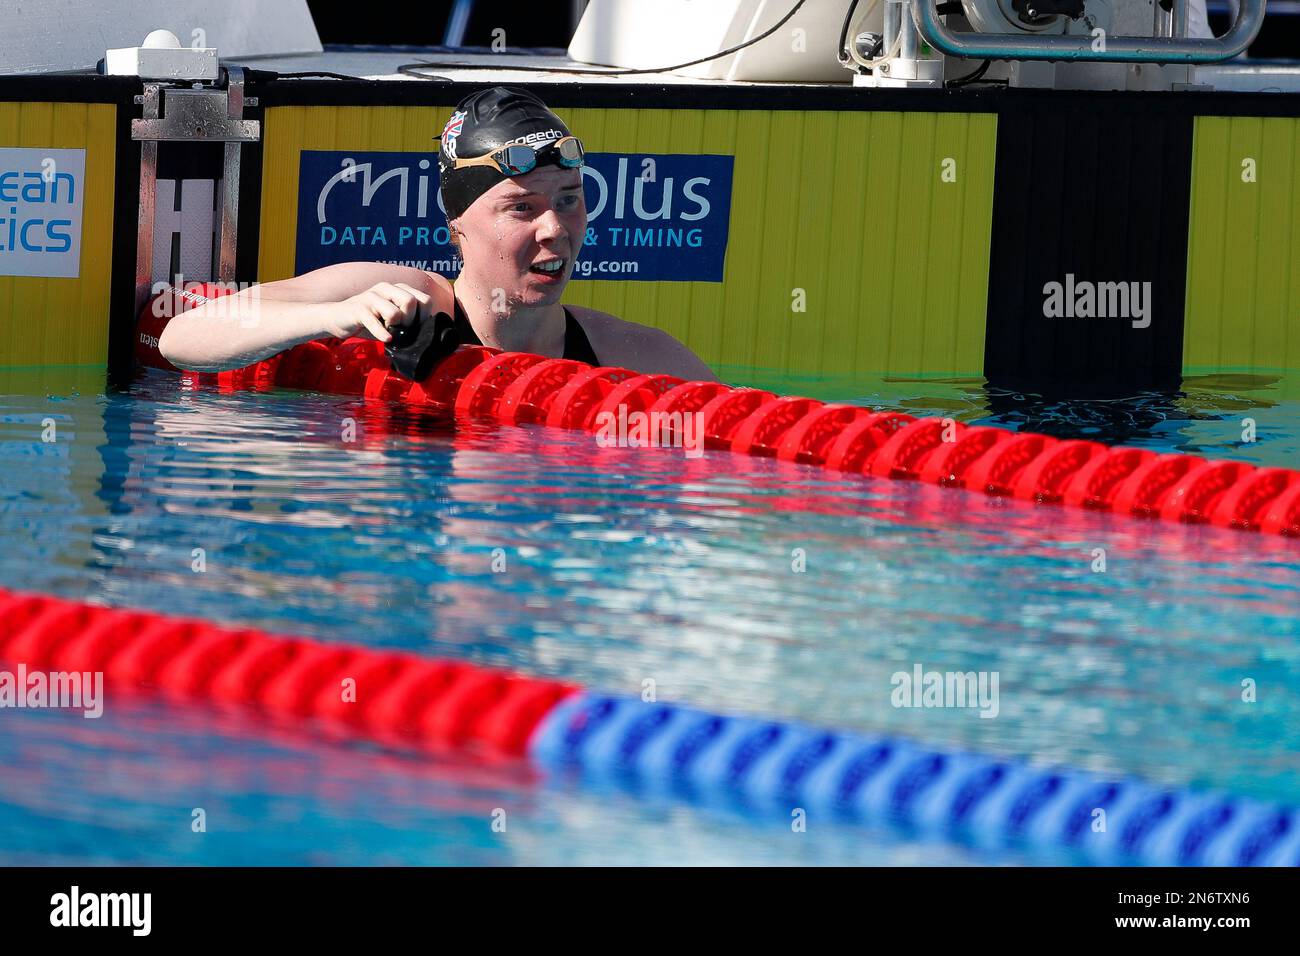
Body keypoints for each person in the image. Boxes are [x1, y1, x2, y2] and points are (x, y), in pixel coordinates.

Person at [158, 87, 716, 382]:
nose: (555, 229)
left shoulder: (635, 354)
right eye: (522, 208)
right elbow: (181, 338)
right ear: (458, 227)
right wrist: (329, 319)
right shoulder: (391, 295)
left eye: (569, 201)